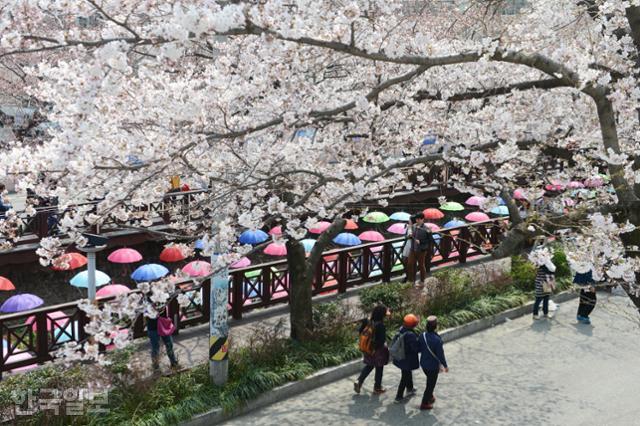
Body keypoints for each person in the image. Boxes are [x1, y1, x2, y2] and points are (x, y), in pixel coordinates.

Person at [354, 305, 389, 395]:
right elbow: (381, 340)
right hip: (377, 350)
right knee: (379, 368)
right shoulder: (380, 325)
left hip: (367, 348)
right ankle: (377, 388)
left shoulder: (367, 321)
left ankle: (359, 381)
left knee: (369, 365)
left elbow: (361, 331)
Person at [417, 315, 448, 410]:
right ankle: (424, 403)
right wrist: (445, 366)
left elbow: (419, 348)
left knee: (429, 381)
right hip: (433, 367)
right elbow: (440, 355)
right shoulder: (437, 340)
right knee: (430, 385)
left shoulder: (422, 336)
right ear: (435, 326)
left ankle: (430, 396)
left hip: (423, 364)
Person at [392, 314, 420, 403]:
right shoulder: (410, 335)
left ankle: (410, 388)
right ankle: (398, 396)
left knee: (407, 372)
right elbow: (415, 348)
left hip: (401, 357)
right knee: (405, 376)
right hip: (407, 358)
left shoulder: (401, 330)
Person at [406, 213, 433, 286]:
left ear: (422, 219)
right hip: (413, 249)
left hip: (421, 250)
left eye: (418, 219)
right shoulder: (414, 226)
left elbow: (430, 240)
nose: (417, 220)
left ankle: (422, 281)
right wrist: (410, 236)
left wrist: (421, 241)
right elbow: (410, 236)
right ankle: (411, 281)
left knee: (421, 265)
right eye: (416, 219)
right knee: (409, 264)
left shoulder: (426, 228)